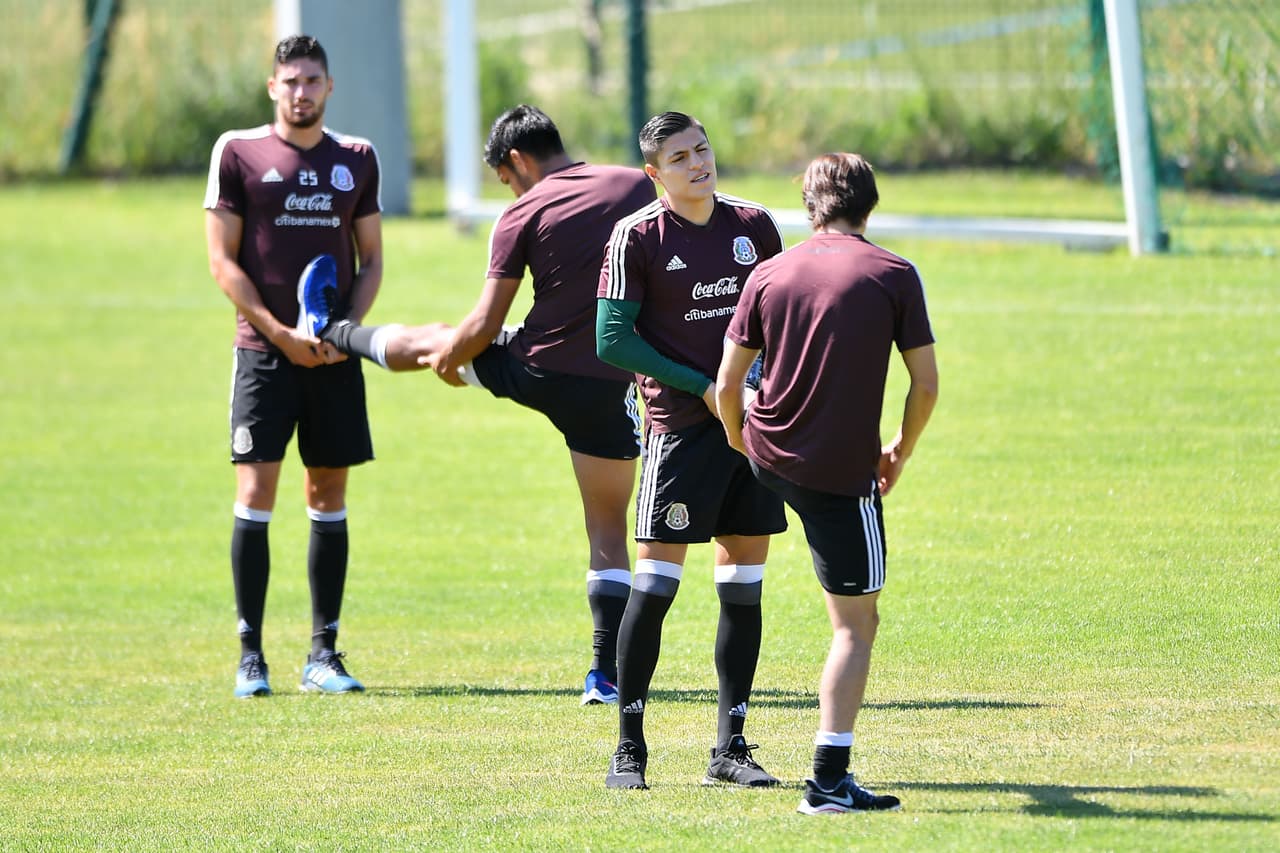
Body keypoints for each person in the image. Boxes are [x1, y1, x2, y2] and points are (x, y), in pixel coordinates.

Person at [319, 105, 657, 705]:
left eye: (505, 179)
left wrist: (451, 362)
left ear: (517, 161)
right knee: (608, 526)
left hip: (537, 369)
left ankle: (331, 329)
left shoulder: (522, 212)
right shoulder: (635, 185)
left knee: (437, 337)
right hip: (612, 380)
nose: (510, 190)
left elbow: (483, 324)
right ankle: (603, 676)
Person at [716, 152, 938, 814]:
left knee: (741, 574)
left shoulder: (768, 273)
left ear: (810, 206)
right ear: (871, 204)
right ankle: (827, 782)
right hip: (840, 475)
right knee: (855, 626)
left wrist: (741, 438)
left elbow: (728, 384)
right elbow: (925, 385)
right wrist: (899, 451)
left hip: (766, 455)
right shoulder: (894, 274)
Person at [596, 111, 788, 790]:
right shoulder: (636, 236)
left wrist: (767, 391)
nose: (698, 163)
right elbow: (612, 339)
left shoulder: (755, 226)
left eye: (702, 149)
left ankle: (730, 747)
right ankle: (629, 749)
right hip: (679, 430)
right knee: (655, 587)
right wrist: (703, 386)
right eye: (679, 158)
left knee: (743, 588)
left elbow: (780, 318)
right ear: (654, 173)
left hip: (748, 429)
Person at [204, 34, 383, 697]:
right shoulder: (238, 152)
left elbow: (372, 260)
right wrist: (280, 333)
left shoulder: (357, 158)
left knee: (328, 495)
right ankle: (250, 656)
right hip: (262, 354)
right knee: (256, 494)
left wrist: (345, 331)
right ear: (272, 87)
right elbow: (222, 261)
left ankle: (323, 654)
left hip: (333, 356)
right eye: (291, 81)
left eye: (312, 80)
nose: (301, 92)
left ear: (329, 87)